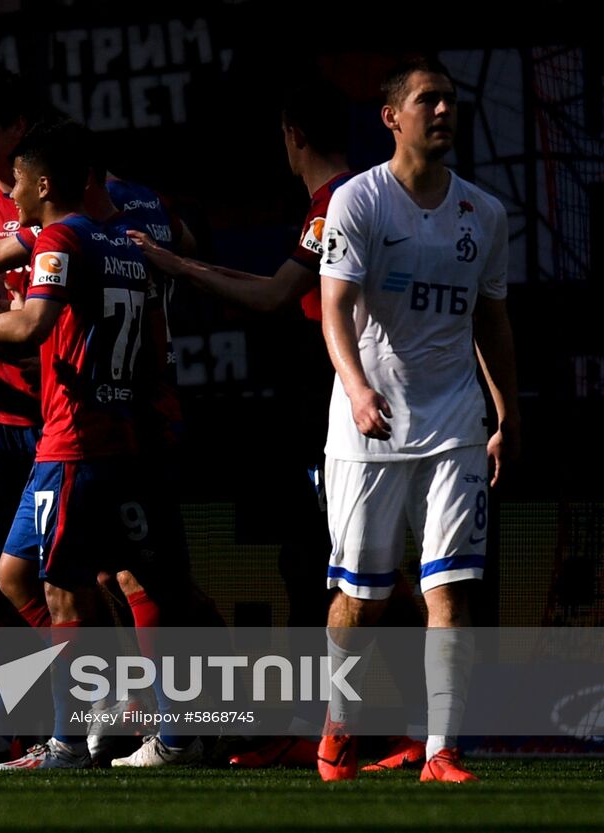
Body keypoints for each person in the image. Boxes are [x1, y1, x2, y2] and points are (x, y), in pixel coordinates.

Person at [131, 78, 428, 771]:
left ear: (292, 137)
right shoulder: (361, 199)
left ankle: (392, 724)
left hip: (343, 406)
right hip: (336, 405)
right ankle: (327, 722)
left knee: (360, 574)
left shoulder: (336, 206)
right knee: (313, 565)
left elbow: (271, 295)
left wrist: (175, 263)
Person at [0, 121, 196, 770]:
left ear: (45, 182)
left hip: (73, 441)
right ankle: (146, 718)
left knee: (56, 582)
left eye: (22, 181)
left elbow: (33, 322)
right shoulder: (119, 242)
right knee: (43, 573)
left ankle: (77, 737)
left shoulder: (61, 237)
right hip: (116, 437)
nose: (14, 191)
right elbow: (150, 348)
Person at [312, 57, 519, 783]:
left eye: (450, 101)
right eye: (427, 100)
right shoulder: (358, 201)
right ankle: (338, 729)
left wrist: (506, 412)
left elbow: (491, 319)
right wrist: (358, 388)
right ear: (391, 117)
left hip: (456, 423)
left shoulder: (484, 213)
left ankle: (442, 752)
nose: (443, 111)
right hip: (368, 430)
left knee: (450, 590)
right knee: (361, 601)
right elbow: (333, 307)